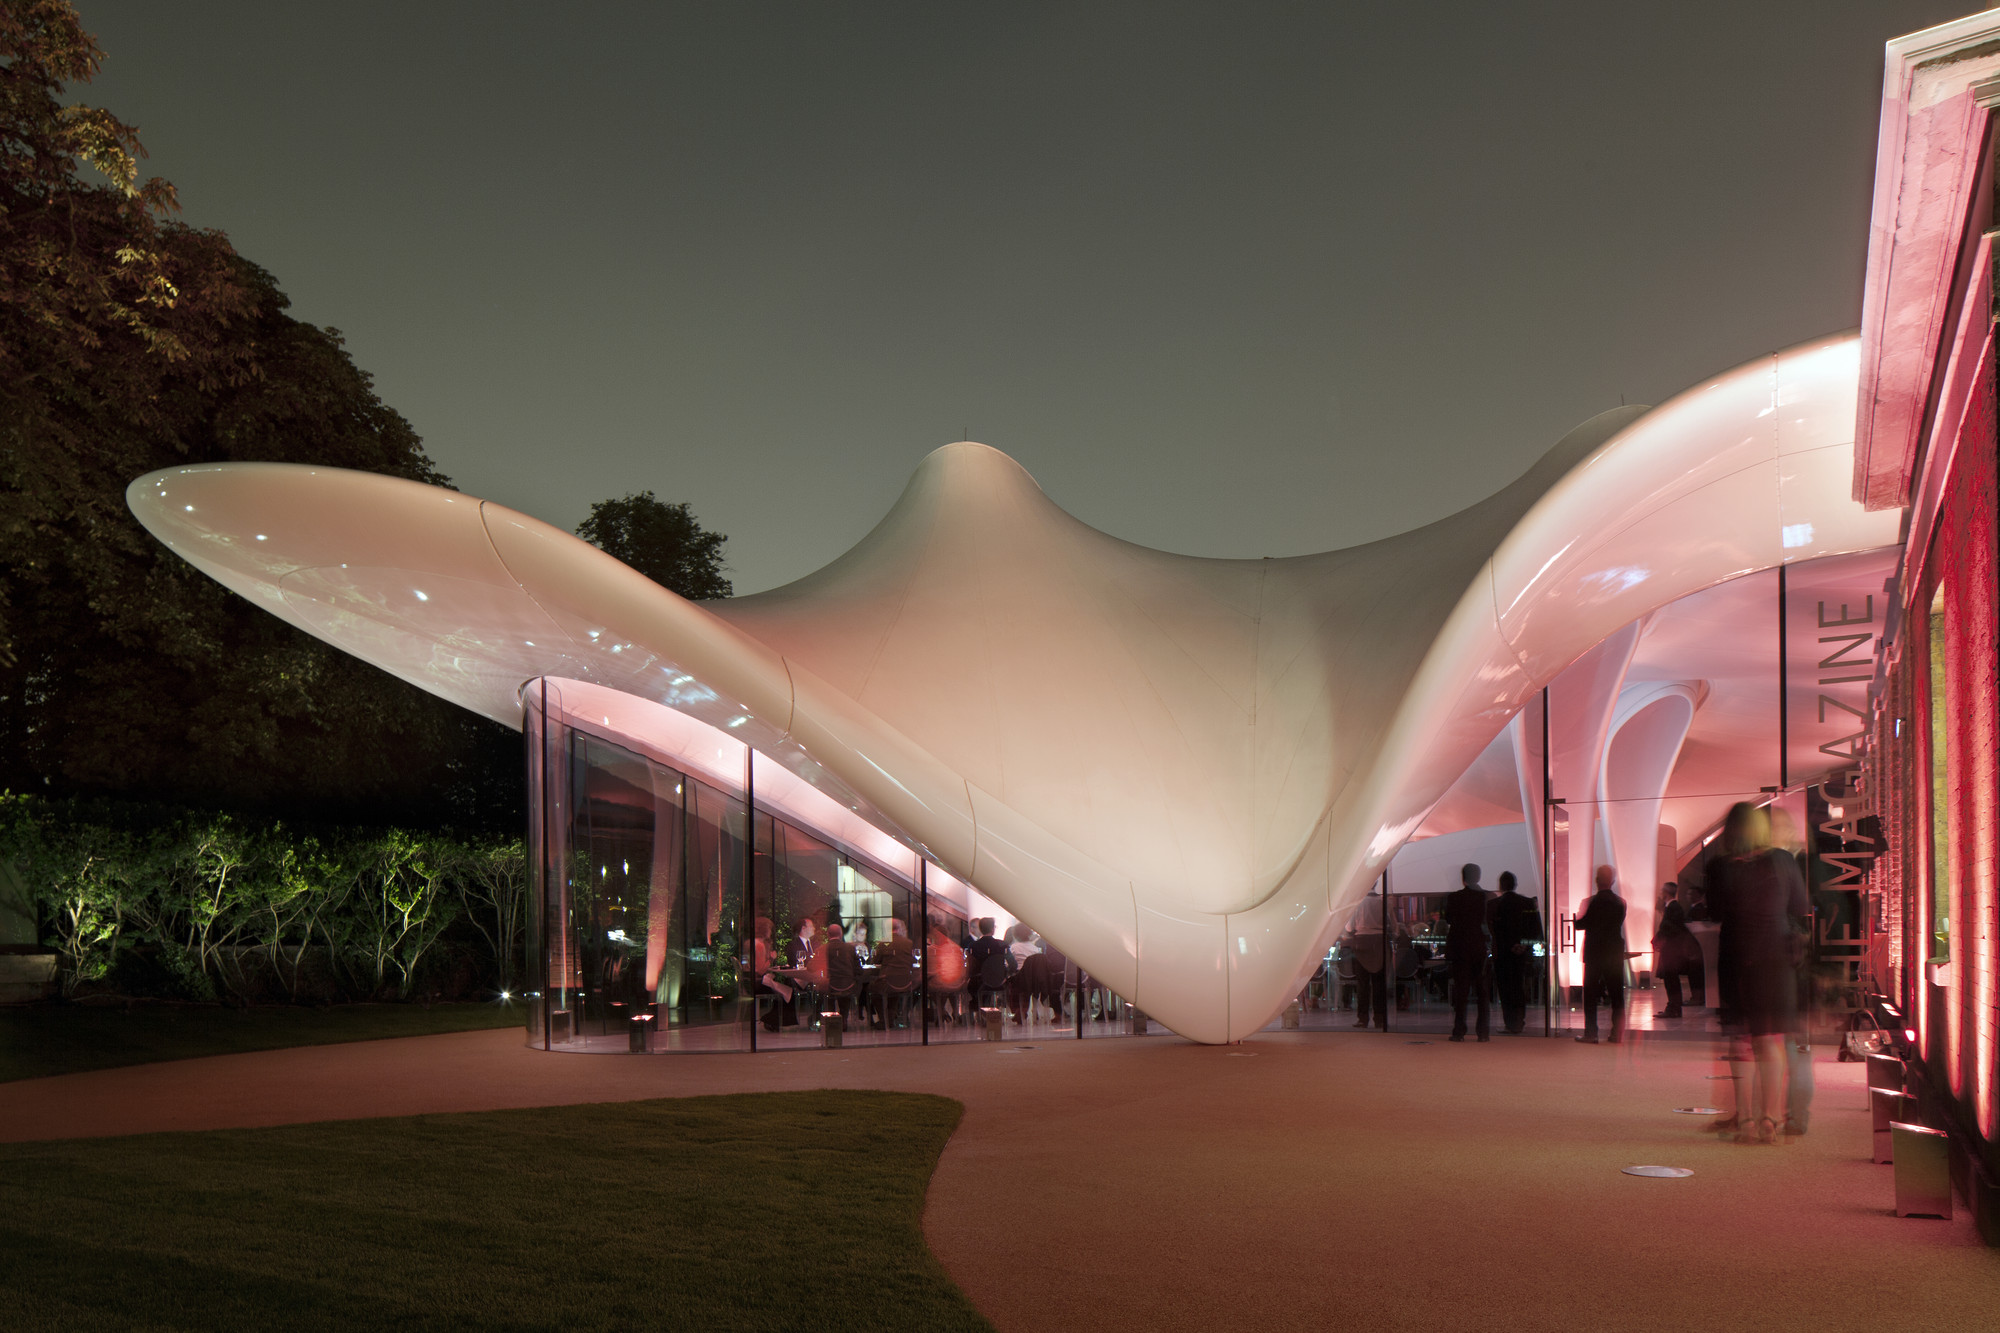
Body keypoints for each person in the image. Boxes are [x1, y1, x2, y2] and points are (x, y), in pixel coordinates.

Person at [1707, 802, 1810, 1143]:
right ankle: (1769, 1119)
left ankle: (1746, 1121)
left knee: (1742, 1041)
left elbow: (1713, 911)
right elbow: (1799, 907)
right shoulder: (1782, 860)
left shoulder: (1720, 867)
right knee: (1771, 1041)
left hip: (1737, 954)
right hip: (1776, 957)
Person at [1574, 865, 1628, 1044]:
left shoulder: (1589, 902)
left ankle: (1591, 1033)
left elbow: (1580, 925)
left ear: (1596, 880)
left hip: (1594, 952)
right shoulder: (1621, 902)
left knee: (1590, 994)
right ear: (1612, 881)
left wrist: (1576, 918)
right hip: (1613, 952)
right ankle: (1617, 1033)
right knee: (1616, 994)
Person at [1441, 863, 1492, 1042]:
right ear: (1478, 877)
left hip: (1460, 948)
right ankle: (1483, 1032)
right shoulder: (1485, 897)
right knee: (1482, 992)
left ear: (1463, 878)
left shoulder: (1454, 898)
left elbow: (1448, 918)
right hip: (1479, 947)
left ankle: (1459, 1031)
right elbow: (1488, 922)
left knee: (1461, 992)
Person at [1486, 871, 1540, 1033]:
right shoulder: (1527, 903)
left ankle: (1510, 1023)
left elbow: (1495, 930)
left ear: (1500, 885)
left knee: (1505, 988)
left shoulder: (1494, 904)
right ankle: (1519, 1021)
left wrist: (1508, 945)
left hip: (1502, 953)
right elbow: (1536, 928)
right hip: (1521, 953)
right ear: (1515, 884)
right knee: (1518, 986)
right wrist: (1523, 945)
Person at [1652, 885, 1703, 1018]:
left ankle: (1673, 1008)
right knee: (1670, 979)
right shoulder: (1672, 908)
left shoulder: (1673, 908)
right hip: (1672, 950)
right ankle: (1673, 1007)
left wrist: (1659, 938)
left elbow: (1671, 929)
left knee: (1671, 979)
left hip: (1672, 951)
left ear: (1666, 893)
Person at [1341, 887, 1388, 1031]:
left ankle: (1363, 1018)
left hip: (1361, 943)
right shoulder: (1384, 902)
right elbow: (1392, 925)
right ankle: (1380, 1018)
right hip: (1380, 942)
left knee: (1363, 984)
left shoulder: (1359, 902)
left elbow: (1349, 927)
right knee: (1379, 983)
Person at [869, 918, 918, 1029]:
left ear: (886, 929)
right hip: (906, 982)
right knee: (894, 991)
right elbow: (914, 961)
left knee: (873, 990)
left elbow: (875, 961)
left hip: (887, 981)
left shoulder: (884, 943)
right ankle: (892, 1016)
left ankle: (884, 1019)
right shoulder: (909, 943)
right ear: (899, 928)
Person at [753, 917, 794, 1033]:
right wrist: (771, 958)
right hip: (758, 982)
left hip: (752, 981)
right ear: (766, 930)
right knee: (787, 989)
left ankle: (773, 1019)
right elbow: (760, 970)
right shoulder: (759, 945)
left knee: (784, 988)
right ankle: (772, 1020)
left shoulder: (753, 943)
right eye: (771, 930)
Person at [820, 922, 861, 1023]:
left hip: (830, 985)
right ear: (841, 934)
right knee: (846, 992)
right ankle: (843, 1020)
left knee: (826, 991)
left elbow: (811, 967)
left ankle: (831, 1021)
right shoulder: (850, 948)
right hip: (849, 985)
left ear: (828, 935)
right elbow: (859, 970)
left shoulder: (823, 949)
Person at [968, 918, 1011, 1013]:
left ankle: (979, 1013)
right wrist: (1006, 975)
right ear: (992, 929)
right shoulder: (1002, 945)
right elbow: (1013, 964)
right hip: (999, 982)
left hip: (979, 982)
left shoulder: (973, 946)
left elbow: (971, 966)